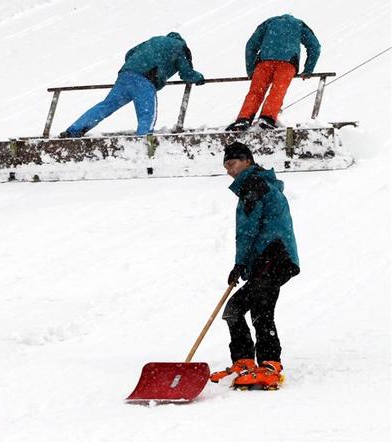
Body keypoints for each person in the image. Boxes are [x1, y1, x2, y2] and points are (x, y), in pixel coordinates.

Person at [209, 142, 300, 389]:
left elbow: (248, 231)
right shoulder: (257, 184)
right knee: (235, 308)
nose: (229, 169)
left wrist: (239, 264)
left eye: (232, 163)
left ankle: (270, 366)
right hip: (268, 259)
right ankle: (244, 361)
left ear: (247, 161)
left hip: (275, 257)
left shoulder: (254, 185)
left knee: (261, 308)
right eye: (226, 165)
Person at [60, 32, 205, 138]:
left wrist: (137, 65)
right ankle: (143, 143)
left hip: (126, 75)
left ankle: (74, 130)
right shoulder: (179, 47)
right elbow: (186, 73)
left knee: (106, 106)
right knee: (147, 114)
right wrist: (198, 78)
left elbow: (129, 53)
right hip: (145, 79)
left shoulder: (153, 40)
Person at [226, 14, 321, 131]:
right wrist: (308, 70)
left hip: (264, 62)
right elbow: (315, 47)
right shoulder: (299, 25)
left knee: (256, 91)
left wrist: (251, 70)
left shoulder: (268, 22)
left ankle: (243, 119)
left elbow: (251, 45)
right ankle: (267, 118)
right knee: (277, 91)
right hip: (287, 62)